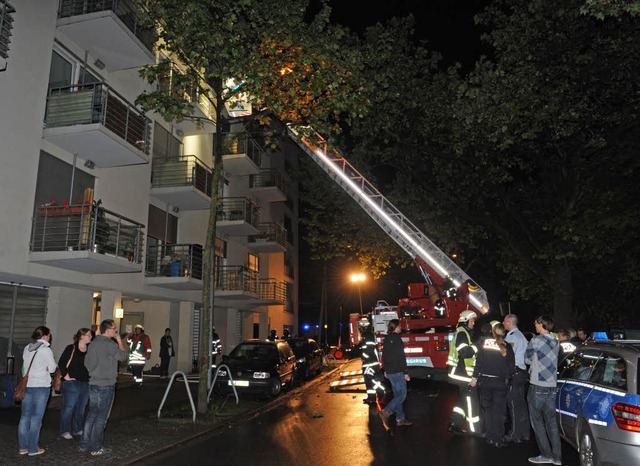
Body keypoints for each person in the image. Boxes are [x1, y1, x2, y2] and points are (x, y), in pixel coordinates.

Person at [80, 319, 127, 456]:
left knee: (92, 414)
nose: (116, 330)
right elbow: (122, 356)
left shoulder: (93, 344)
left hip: (93, 383)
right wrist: (119, 340)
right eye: (114, 328)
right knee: (101, 417)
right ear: (108, 330)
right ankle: (96, 447)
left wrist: (93, 372)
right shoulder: (110, 344)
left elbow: (86, 362)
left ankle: (84, 444)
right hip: (106, 385)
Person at [470, 323, 515, 448]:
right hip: (500, 383)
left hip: (485, 382)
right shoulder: (507, 346)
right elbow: (511, 367)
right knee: (499, 411)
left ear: (493, 332)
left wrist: (474, 378)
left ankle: (490, 436)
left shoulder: (485, 344)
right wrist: (507, 377)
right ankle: (498, 438)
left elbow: (478, 363)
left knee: (488, 410)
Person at [525, 315, 562, 465]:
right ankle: (557, 458)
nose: (534, 324)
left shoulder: (536, 341)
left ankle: (546, 455)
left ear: (541, 324)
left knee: (537, 422)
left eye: (536, 323)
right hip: (552, 386)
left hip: (538, 385)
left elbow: (526, 359)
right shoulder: (556, 341)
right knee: (552, 423)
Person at [17, 326, 57, 457]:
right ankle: (33, 448)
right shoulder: (45, 350)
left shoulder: (27, 348)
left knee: (25, 417)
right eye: (49, 335)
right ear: (44, 336)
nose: (50, 337)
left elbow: (25, 366)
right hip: (41, 386)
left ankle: (23, 447)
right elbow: (52, 368)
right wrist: (45, 368)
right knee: (36, 418)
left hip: (27, 385)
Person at [447, 310, 483, 436]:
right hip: (462, 374)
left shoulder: (464, 333)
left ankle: (454, 424)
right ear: (466, 321)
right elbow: (464, 353)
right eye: (472, 320)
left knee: (462, 400)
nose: (474, 323)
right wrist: (476, 346)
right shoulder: (462, 334)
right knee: (471, 402)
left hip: (459, 373)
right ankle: (474, 430)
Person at [58, 327, 92, 440]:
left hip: (85, 382)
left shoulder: (90, 349)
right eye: (88, 335)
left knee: (81, 407)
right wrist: (66, 376)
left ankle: (77, 429)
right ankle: (65, 430)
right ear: (81, 336)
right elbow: (62, 362)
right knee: (69, 407)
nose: (90, 337)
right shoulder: (71, 348)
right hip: (72, 382)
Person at [379, 319, 412, 429]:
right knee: (401, 395)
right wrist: (405, 372)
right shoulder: (397, 339)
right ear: (396, 327)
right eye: (400, 326)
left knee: (397, 395)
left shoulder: (387, 339)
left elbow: (384, 356)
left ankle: (400, 418)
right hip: (398, 371)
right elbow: (401, 357)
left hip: (390, 372)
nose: (401, 327)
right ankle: (386, 411)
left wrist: (385, 370)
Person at [503, 313, 530, 443]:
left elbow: (508, 355)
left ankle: (515, 434)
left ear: (510, 323)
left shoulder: (512, 337)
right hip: (522, 372)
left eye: (504, 321)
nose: (503, 323)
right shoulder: (521, 336)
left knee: (513, 404)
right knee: (521, 404)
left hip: (515, 373)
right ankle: (525, 432)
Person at [359, 321, 385, 405]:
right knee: (369, 381)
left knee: (372, 380)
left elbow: (369, 350)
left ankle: (381, 391)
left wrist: (363, 357)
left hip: (370, 363)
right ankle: (371, 398)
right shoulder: (368, 335)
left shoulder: (367, 336)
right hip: (369, 363)